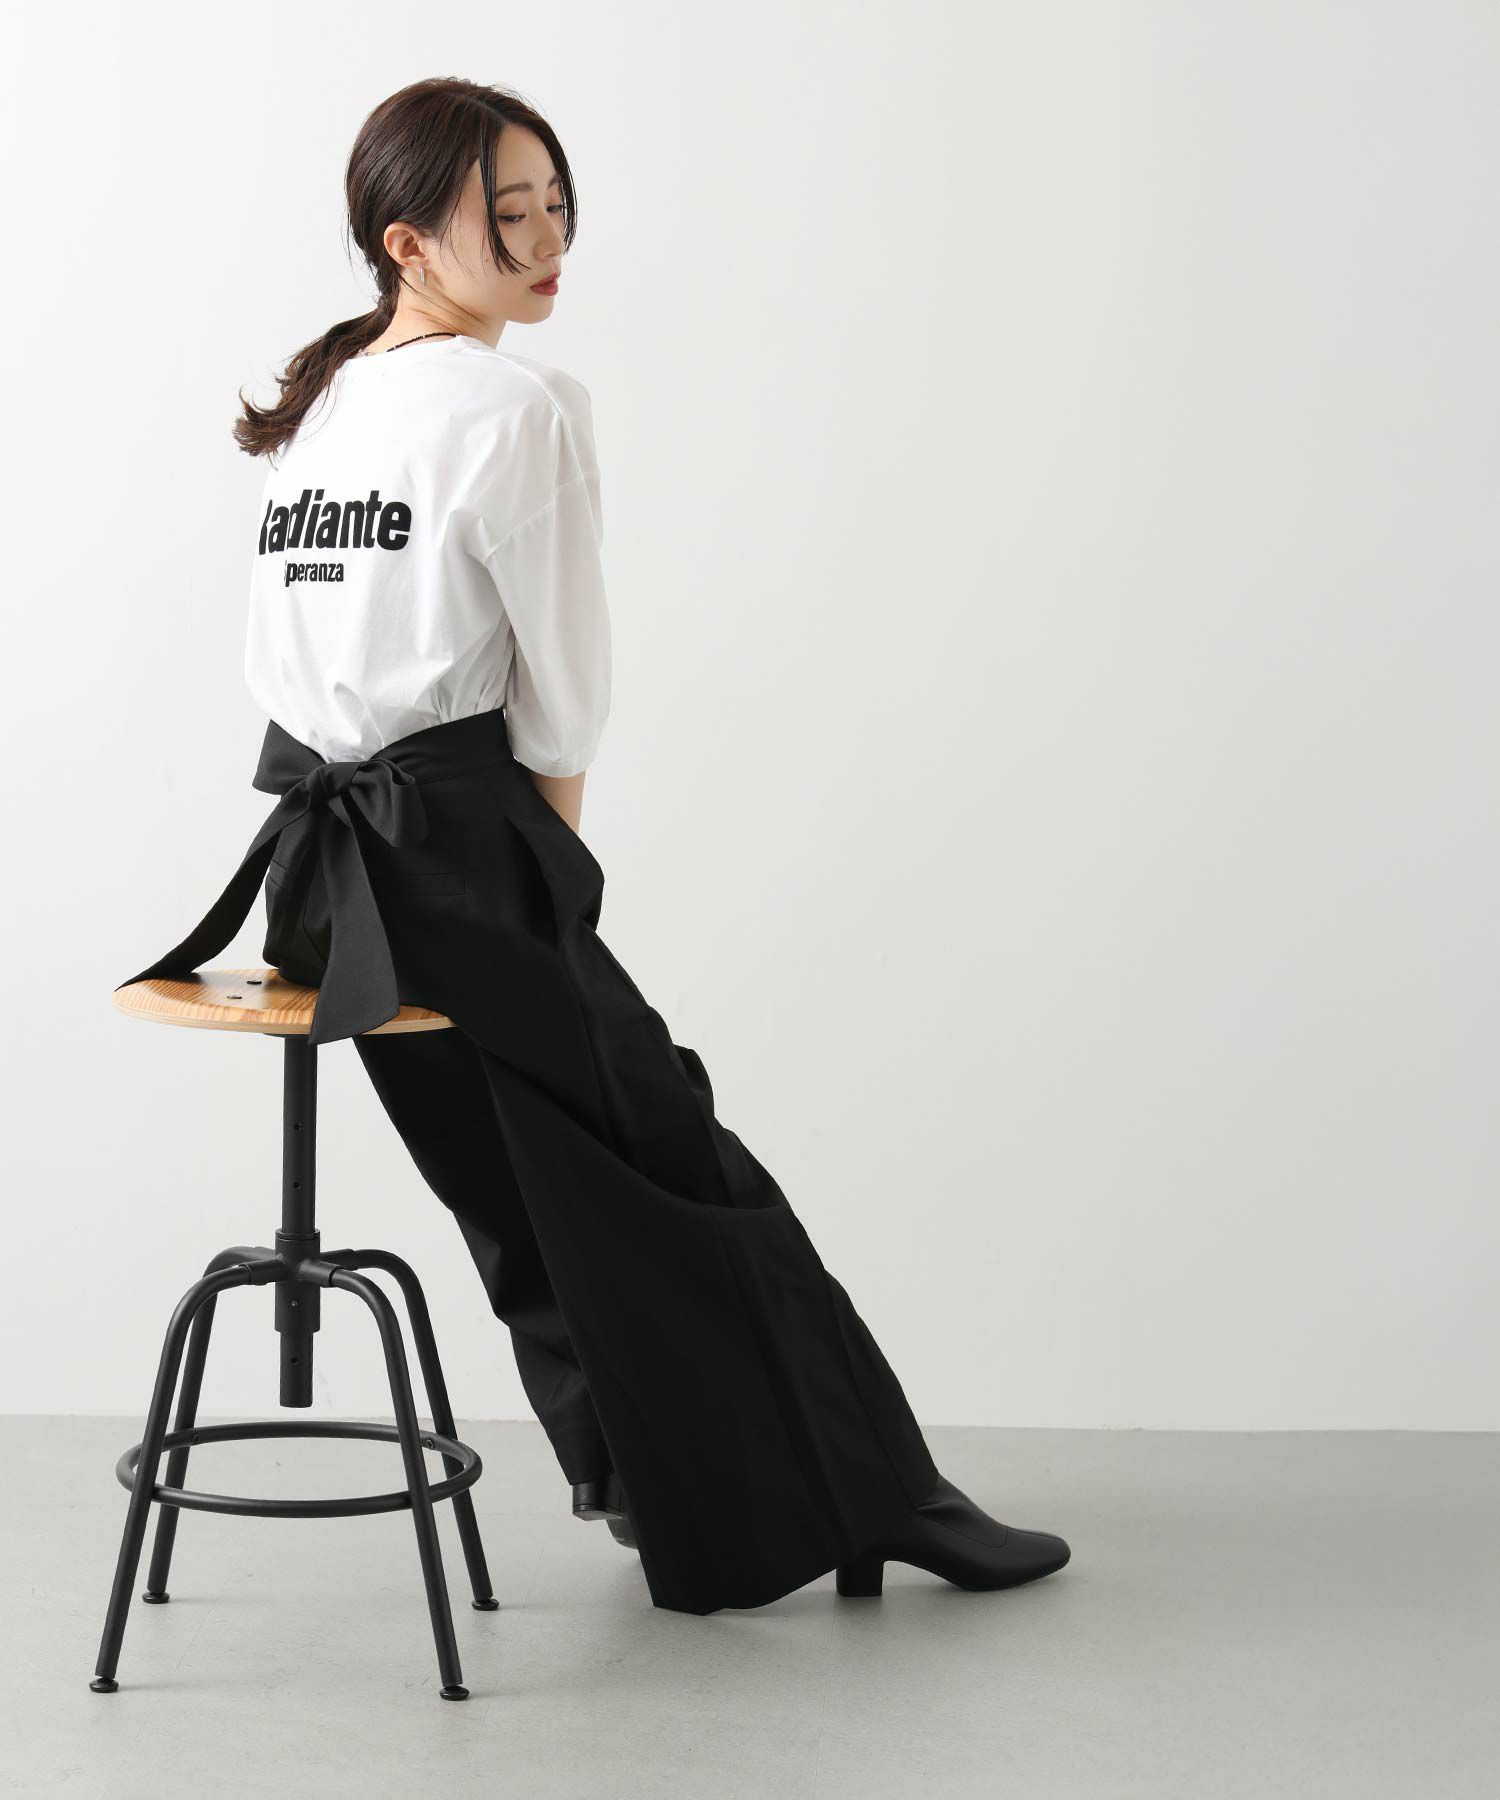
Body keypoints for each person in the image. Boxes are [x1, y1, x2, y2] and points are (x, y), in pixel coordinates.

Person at [117, 75, 1072, 1616]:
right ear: (408, 242)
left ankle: (638, 1485)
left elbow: (282, 672)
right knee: (669, 1149)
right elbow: (562, 697)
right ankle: (878, 1496)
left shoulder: (326, 404)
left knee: (516, 1188)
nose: (547, 241)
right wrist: (550, 895)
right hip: (453, 858)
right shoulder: (516, 410)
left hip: (314, 879)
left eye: (556, 206)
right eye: (508, 215)